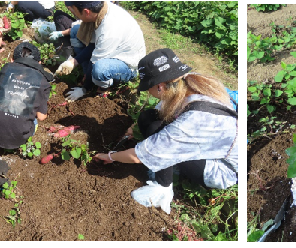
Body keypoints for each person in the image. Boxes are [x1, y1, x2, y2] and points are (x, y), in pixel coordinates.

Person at [93, 49, 238, 214]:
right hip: (212, 146)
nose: (150, 93)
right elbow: (161, 110)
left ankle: (163, 187)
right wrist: (133, 128)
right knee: (148, 118)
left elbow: (138, 156)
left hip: (221, 168)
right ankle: (171, 169)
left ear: (160, 86)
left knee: (160, 139)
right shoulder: (185, 82)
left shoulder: (195, 120)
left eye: (149, 88)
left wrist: (110, 156)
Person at [54, 1, 146, 100]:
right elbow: (95, 45)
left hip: (127, 65)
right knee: (76, 31)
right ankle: (87, 73)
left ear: (86, 12)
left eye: (73, 10)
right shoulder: (101, 9)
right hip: (112, 48)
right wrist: (73, 62)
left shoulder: (109, 31)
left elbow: (96, 59)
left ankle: (103, 86)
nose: (72, 12)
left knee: (99, 69)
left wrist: (85, 89)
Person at [0, 42, 53, 149]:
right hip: (18, 137)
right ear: (39, 63)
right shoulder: (43, 81)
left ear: (12, 60)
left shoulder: (7, 68)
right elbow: (41, 117)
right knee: (33, 115)